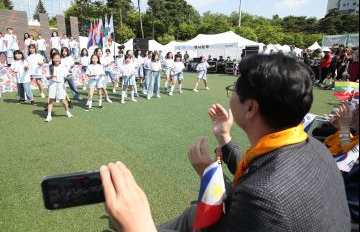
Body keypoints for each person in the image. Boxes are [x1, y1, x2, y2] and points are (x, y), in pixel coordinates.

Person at [99, 54, 351, 232]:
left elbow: (258, 186)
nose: (230, 97)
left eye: (233, 91)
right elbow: (259, 169)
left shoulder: (263, 197)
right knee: (191, 215)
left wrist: (137, 226)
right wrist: (224, 137)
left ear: (250, 107)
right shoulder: (313, 147)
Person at [45, 51, 73, 122]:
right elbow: (47, 77)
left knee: (63, 100)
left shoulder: (63, 66)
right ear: (52, 59)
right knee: (51, 100)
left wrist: (68, 75)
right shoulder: (50, 67)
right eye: (55, 58)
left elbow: (66, 75)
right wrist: (51, 76)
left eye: (58, 58)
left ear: (60, 59)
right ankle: (49, 115)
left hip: (61, 84)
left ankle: (67, 112)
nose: (56, 59)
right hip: (52, 84)